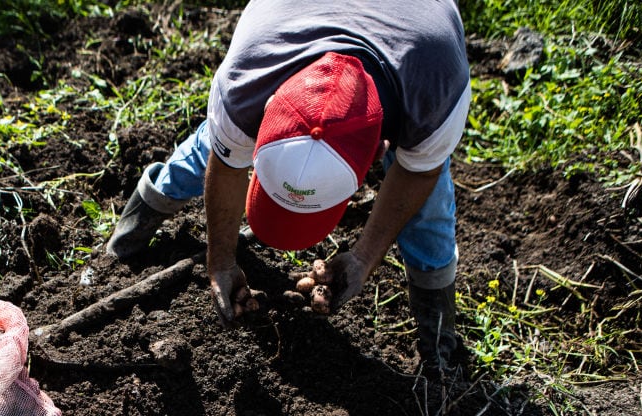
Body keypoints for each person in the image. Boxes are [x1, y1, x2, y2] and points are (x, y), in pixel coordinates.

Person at [105, 0, 471, 375]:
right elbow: (226, 158)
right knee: (219, 139)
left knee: (428, 200)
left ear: (374, 156)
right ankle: (136, 224)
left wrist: (365, 258)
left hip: (414, 37)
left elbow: (417, 175)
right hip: (291, 22)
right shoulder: (247, 79)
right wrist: (221, 261)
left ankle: (438, 340)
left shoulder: (437, 95)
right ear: (268, 116)